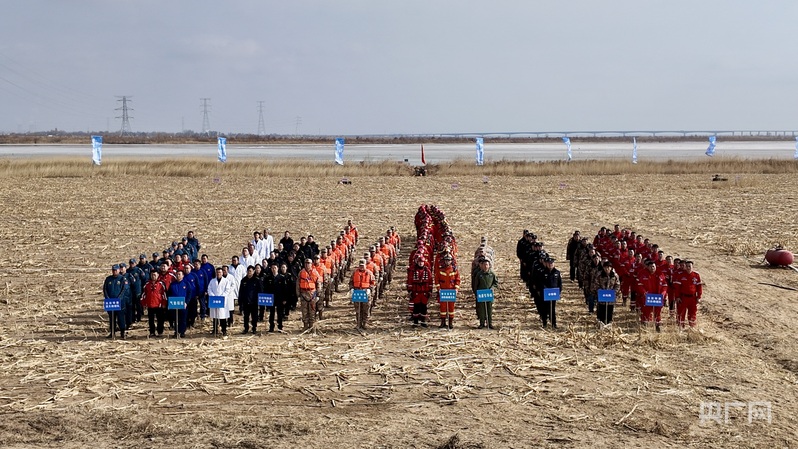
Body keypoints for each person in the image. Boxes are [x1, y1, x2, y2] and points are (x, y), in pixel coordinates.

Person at [534, 256, 562, 329]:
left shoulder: (557, 273)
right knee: (544, 309)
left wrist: (559, 291)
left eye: (552, 264)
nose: (550, 265)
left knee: (552, 309)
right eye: (549, 264)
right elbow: (540, 283)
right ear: (546, 264)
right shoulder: (542, 272)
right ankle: (545, 322)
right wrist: (543, 290)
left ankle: (554, 324)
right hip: (545, 294)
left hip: (554, 294)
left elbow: (559, 283)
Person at [673, 260, 703, 328]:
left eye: (689, 266)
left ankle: (692, 327)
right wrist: (677, 297)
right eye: (687, 266)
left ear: (692, 267)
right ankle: (680, 327)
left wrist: (699, 297)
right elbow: (677, 288)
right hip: (683, 297)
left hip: (693, 298)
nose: (688, 268)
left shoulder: (696, 275)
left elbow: (699, 287)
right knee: (681, 313)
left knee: (692, 313)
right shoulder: (681, 275)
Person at [103, 264, 129, 339]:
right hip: (110, 302)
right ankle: (112, 332)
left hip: (120, 302)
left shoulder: (122, 279)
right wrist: (107, 297)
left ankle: (122, 332)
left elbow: (124, 289)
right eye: (113, 270)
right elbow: (105, 289)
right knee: (112, 318)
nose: (114, 271)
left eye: (116, 270)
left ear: (119, 270)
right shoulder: (108, 279)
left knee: (121, 318)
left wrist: (119, 298)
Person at [435, 253, 460, 329]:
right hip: (443, 292)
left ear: (451, 261)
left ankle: (450, 323)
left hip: (451, 292)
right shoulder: (440, 270)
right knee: (443, 307)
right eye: (446, 260)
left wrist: (456, 289)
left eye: (449, 260)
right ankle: (443, 322)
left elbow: (457, 280)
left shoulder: (454, 270)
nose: (447, 262)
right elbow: (437, 280)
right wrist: (439, 289)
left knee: (451, 307)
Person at [471, 257, 498, 329]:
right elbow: (475, 285)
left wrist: (492, 288)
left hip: (489, 293)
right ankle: (482, 323)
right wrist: (476, 293)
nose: (486, 266)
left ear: (489, 265)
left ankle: (490, 323)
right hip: (481, 293)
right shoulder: (479, 274)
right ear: (482, 266)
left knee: (489, 309)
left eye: (487, 265)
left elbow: (496, 283)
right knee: (482, 309)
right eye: (484, 265)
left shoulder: (492, 274)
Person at [407, 255, 433, 327]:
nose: (421, 263)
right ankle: (415, 322)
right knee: (416, 307)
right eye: (419, 262)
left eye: (422, 262)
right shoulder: (413, 271)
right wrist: (410, 291)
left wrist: (430, 291)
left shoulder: (427, 271)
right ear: (417, 262)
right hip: (416, 292)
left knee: (424, 307)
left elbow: (430, 281)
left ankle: (423, 321)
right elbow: (410, 281)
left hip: (424, 292)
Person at [592, 261, 621, 326]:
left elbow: (617, 285)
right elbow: (596, 284)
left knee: (610, 310)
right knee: (601, 310)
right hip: (602, 296)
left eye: (608, 267)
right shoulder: (599, 275)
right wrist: (599, 291)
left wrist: (614, 292)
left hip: (611, 296)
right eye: (605, 267)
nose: (607, 269)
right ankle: (601, 323)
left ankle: (609, 323)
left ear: (611, 268)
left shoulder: (615, 275)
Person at [207, 267, 234, 336]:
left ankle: (224, 330)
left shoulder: (226, 281)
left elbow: (227, 290)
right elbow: (209, 289)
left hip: (222, 300)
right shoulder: (212, 281)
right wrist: (213, 296)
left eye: (220, 272)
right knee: (215, 316)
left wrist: (221, 296)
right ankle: (215, 329)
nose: (218, 274)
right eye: (217, 272)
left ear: (222, 273)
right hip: (214, 300)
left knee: (222, 316)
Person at [296, 258, 322, 331]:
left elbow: (319, 284)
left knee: (312, 311)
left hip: (312, 294)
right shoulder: (301, 273)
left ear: (311, 264)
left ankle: (312, 326)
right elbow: (298, 284)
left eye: (309, 263)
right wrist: (298, 294)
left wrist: (318, 295)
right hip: (303, 294)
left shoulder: (315, 273)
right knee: (304, 311)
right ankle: (305, 326)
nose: (307, 264)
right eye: (306, 263)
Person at [350, 259, 375, 330]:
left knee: (365, 309)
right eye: (360, 265)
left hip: (365, 292)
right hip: (357, 291)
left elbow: (373, 283)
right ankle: (358, 324)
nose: (361, 267)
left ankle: (364, 323)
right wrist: (351, 288)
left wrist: (369, 289)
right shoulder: (355, 272)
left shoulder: (369, 273)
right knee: (358, 310)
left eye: (363, 265)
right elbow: (351, 282)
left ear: (365, 265)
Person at [141, 271, 167, 337]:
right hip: (150, 304)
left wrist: (164, 303)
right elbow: (144, 294)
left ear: (158, 275)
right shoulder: (147, 284)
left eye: (155, 275)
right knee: (151, 320)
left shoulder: (161, 284)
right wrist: (144, 304)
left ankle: (160, 332)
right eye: (152, 275)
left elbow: (164, 294)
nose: (153, 276)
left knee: (160, 319)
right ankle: (152, 332)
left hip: (159, 305)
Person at [168, 270, 193, 338]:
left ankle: (182, 332)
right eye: (177, 274)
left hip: (183, 303)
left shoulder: (186, 283)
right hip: (174, 303)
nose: (178, 276)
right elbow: (169, 294)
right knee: (176, 319)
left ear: (182, 275)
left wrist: (186, 302)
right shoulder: (172, 284)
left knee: (183, 319)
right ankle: (176, 331)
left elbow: (189, 293)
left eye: (179, 274)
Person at [238, 265, 260, 334]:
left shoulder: (256, 280)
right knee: (246, 317)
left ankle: (254, 328)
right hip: (245, 302)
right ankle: (246, 328)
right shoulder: (243, 280)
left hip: (254, 302)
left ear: (253, 272)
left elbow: (260, 291)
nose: (249, 272)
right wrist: (240, 301)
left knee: (254, 317)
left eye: (250, 271)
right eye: (248, 271)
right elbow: (241, 291)